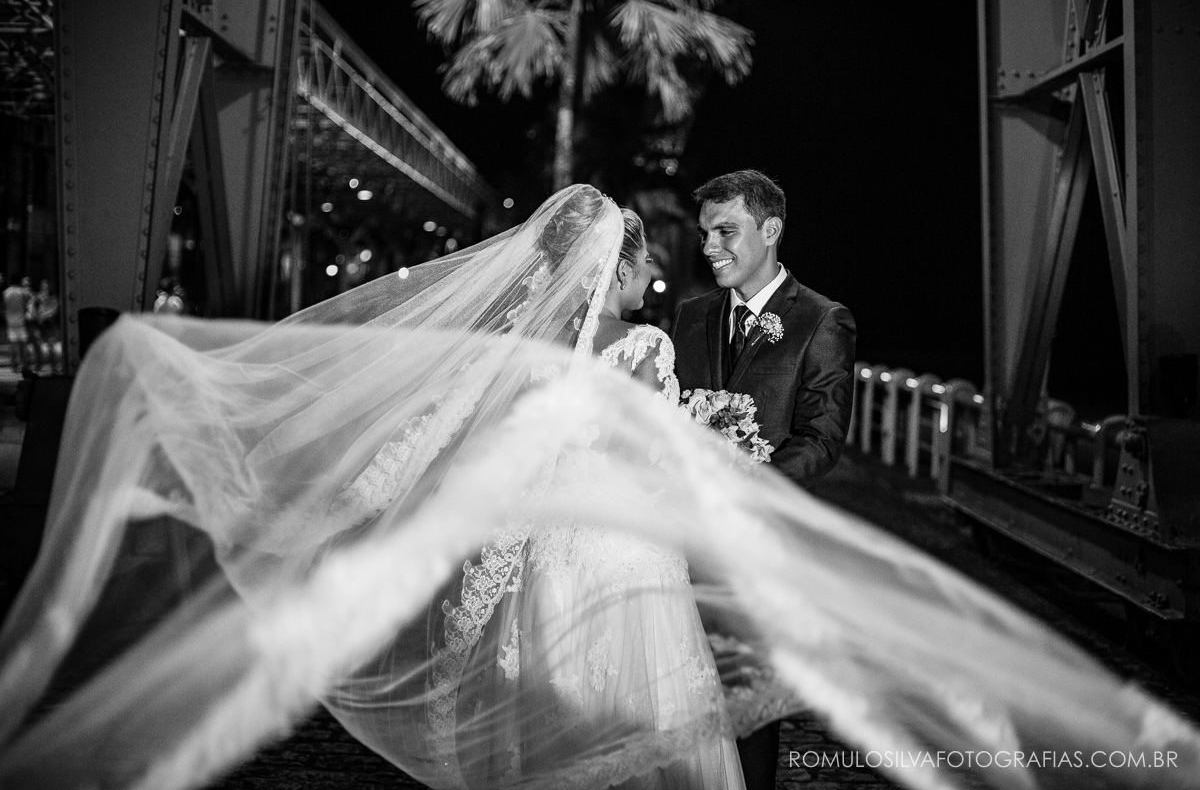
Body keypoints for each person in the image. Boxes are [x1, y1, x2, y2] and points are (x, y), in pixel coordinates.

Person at [0, 186, 1198, 790]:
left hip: (581, 562)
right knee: (642, 720)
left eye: (712, 238)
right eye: (649, 256)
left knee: (583, 710)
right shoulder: (643, 348)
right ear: (607, 271)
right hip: (618, 567)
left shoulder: (551, 360)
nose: (669, 266)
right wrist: (700, 435)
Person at [671, 169, 856, 788]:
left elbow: (822, 437)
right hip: (679, 545)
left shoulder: (823, 321)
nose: (709, 248)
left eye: (726, 231)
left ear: (770, 230)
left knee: (749, 704)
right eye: (704, 234)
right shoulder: (690, 315)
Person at [3, 277, 32, 374]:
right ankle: (25, 365)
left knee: (13, 344)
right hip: (21, 321)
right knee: (23, 345)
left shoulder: (6, 292)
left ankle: (14, 365)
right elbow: (30, 298)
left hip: (10, 321)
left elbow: (3, 305)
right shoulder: (21, 292)